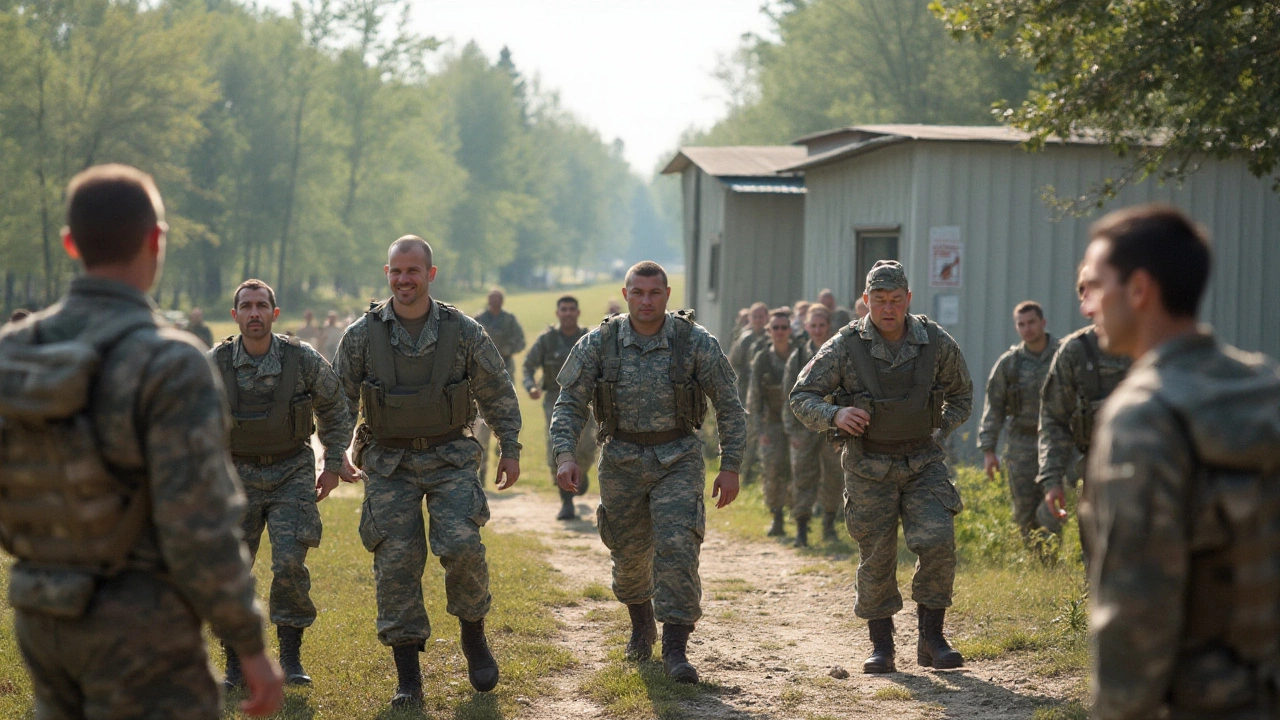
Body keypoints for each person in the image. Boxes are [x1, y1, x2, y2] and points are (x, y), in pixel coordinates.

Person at [0, 164, 282, 718]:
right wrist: (248, 644)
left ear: (69, 243)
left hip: (40, 610)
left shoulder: (14, 351)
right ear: (156, 240)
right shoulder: (169, 361)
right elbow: (198, 525)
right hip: (142, 627)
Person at [1078, 204, 1280, 720]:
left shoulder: (1143, 414)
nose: (1088, 306)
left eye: (1097, 286)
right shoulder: (1263, 388)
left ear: (1140, 290)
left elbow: (1135, 609)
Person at [333, 236, 522, 706]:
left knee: (461, 545)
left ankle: (473, 633)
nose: (404, 280)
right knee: (395, 564)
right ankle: (409, 678)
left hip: (450, 458)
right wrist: (334, 452)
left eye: (413, 271)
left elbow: (496, 389)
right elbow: (339, 398)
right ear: (387, 273)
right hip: (388, 462)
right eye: (396, 272)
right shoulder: (362, 334)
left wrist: (510, 447)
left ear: (430, 275)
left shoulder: (463, 331)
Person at [551, 261, 746, 684]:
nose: (645, 301)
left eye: (654, 293)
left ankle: (676, 648)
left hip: (677, 457)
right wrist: (565, 454)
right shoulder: (600, 343)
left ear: (667, 295)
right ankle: (642, 622)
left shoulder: (694, 343)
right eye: (637, 293)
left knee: (677, 549)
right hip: (620, 459)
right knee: (628, 553)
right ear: (625, 295)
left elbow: (729, 406)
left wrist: (730, 466)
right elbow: (569, 403)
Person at [790, 260, 972, 675]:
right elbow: (802, 396)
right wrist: (834, 415)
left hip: (923, 461)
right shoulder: (844, 346)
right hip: (868, 465)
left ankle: (933, 639)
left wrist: (937, 429)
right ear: (865, 302)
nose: (888, 309)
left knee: (938, 540)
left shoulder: (935, 342)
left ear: (908, 300)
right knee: (876, 555)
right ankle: (882, 646)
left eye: (895, 301)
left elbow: (961, 395)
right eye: (879, 301)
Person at [210, 278, 357, 689]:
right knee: (231, 572)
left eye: (261, 306)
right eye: (246, 306)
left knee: (290, 564)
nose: (254, 313)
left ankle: (290, 658)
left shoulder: (301, 359)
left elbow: (335, 408)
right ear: (235, 314)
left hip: (292, 472)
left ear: (275, 314)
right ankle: (235, 663)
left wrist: (332, 462)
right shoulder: (216, 363)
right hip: (235, 477)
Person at [1037, 276, 1131, 567]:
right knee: (1097, 557)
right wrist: (1052, 481)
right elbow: (1053, 419)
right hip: (1095, 469)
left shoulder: (1154, 346)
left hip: (1150, 470)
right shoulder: (1074, 352)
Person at [977, 301, 1062, 545]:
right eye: (1021, 324)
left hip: (1057, 443)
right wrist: (989, 450)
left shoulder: (1064, 355)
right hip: (1021, 444)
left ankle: (1052, 561)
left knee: (1051, 509)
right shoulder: (1009, 363)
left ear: (1043, 323)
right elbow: (994, 406)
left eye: (1031, 322)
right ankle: (1037, 564)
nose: (1027, 329)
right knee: (1024, 512)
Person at [523, 295, 598, 520]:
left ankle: (581, 472)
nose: (567, 313)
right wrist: (531, 387)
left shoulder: (588, 338)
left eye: (571, 309)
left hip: (586, 401)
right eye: (563, 309)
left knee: (585, 447)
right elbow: (528, 366)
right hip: (554, 401)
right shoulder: (547, 340)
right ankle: (566, 503)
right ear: (558, 313)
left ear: (578, 312)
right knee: (558, 445)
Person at [782, 304, 842, 547]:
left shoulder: (838, 353)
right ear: (806, 327)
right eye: (813, 325)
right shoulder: (798, 357)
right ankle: (802, 529)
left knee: (834, 477)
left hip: (832, 428)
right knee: (803, 477)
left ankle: (829, 525)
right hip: (804, 428)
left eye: (822, 325)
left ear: (828, 327)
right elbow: (787, 394)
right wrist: (790, 430)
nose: (817, 330)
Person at [749, 309, 795, 539]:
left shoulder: (799, 356)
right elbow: (754, 396)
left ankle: (800, 519)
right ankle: (777, 517)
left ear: (790, 330)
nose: (779, 332)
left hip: (798, 425)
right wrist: (759, 431)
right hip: (772, 424)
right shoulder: (762, 359)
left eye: (784, 327)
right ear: (769, 331)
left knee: (797, 471)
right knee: (773, 471)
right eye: (775, 328)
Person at [473, 287, 525, 481]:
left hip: (505, 374)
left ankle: (504, 449)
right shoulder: (480, 319)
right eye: (492, 299)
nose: (495, 302)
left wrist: (505, 349)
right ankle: (482, 471)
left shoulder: (509, 320)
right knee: (481, 424)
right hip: (482, 375)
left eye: (498, 299)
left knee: (505, 415)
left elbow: (521, 341)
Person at [730, 302, 769, 485]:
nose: (758, 320)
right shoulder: (746, 339)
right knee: (750, 432)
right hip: (748, 392)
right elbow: (734, 363)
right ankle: (746, 473)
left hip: (768, 392)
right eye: (755, 317)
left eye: (761, 316)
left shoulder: (772, 336)